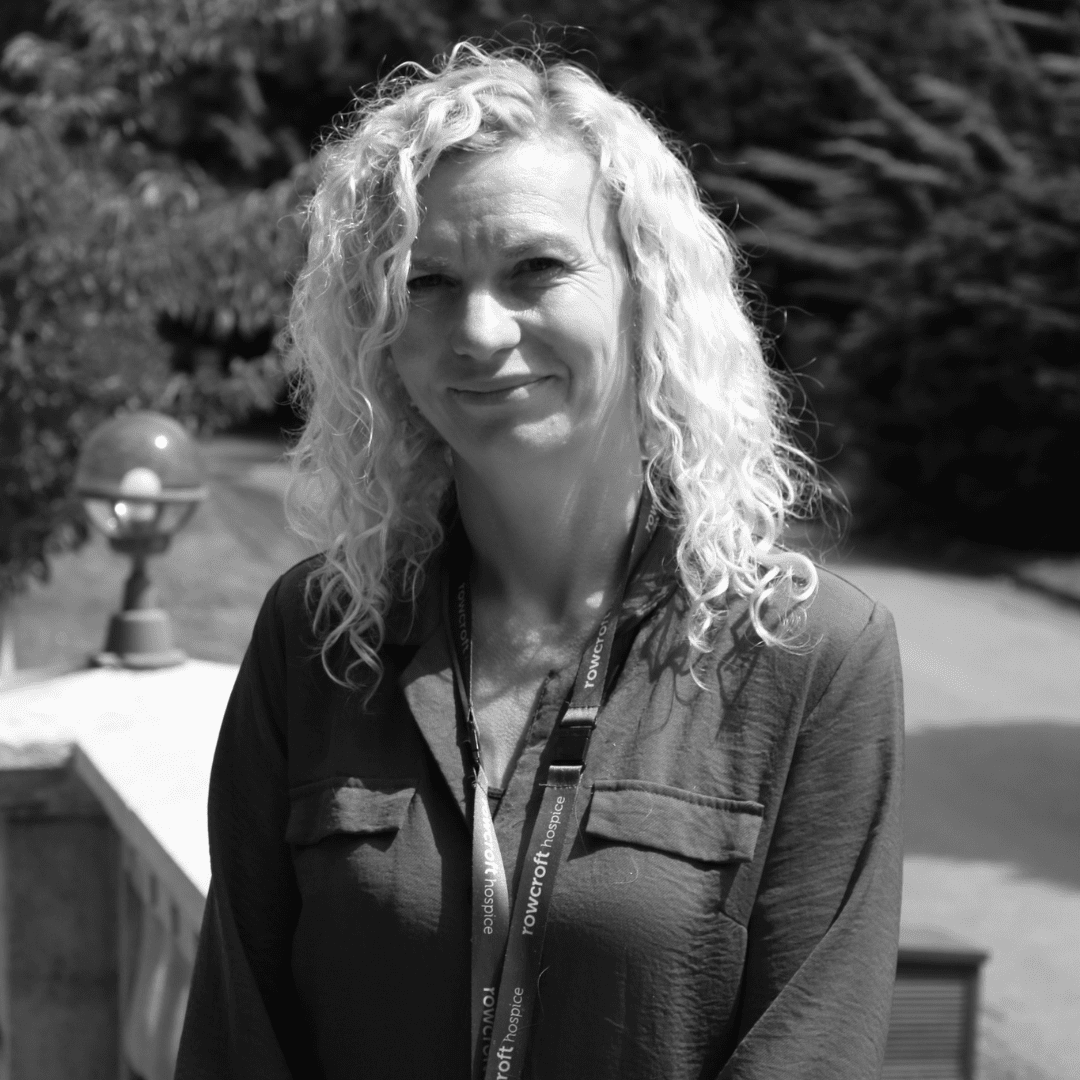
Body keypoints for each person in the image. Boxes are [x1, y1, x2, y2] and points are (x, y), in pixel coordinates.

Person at [176, 43, 903, 1080]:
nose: (478, 331)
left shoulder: (810, 655)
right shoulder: (320, 633)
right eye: (425, 282)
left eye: (537, 270)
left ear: (648, 294)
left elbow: (813, 1050)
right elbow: (239, 1030)